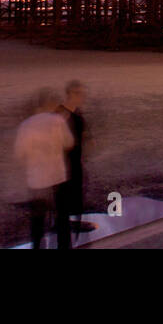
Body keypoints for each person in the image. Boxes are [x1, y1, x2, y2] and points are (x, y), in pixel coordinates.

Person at [14, 88, 75, 249]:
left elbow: (19, 153)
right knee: (62, 216)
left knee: (38, 218)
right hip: (57, 176)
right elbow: (69, 143)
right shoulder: (57, 121)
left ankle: (37, 245)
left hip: (37, 179)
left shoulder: (26, 125)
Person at [56, 81, 96, 236]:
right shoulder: (60, 113)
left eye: (83, 93)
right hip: (63, 161)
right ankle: (62, 225)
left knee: (77, 190)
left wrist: (89, 140)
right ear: (69, 94)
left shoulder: (77, 112)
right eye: (78, 93)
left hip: (76, 159)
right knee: (64, 192)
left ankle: (73, 223)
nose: (82, 97)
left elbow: (84, 131)